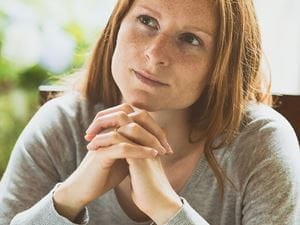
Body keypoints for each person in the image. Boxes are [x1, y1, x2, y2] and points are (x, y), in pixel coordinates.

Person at [0, 0, 299, 224]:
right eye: (147, 21)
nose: (155, 54)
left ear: (220, 66)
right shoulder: (60, 127)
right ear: (117, 24)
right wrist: (68, 198)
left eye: (190, 39)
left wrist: (166, 207)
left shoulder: (261, 145)